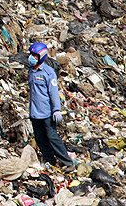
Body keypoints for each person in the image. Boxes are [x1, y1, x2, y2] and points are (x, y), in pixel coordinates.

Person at [28, 42, 75, 172]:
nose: (31, 58)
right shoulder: (31, 71)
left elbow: (54, 93)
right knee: (40, 138)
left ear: (42, 56)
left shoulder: (48, 73)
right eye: (31, 55)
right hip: (35, 112)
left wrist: (56, 110)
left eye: (35, 56)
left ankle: (67, 162)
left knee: (52, 137)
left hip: (47, 113)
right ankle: (51, 161)